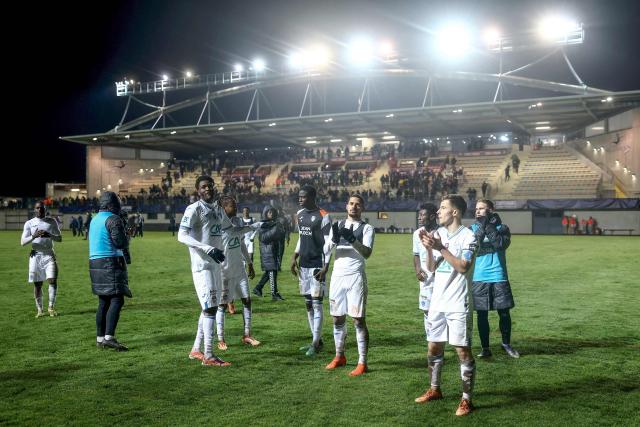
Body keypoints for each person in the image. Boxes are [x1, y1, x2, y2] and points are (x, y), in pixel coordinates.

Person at [415, 195, 478, 417]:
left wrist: (440, 247)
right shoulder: (438, 234)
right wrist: (430, 248)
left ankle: (466, 399)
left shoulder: (469, 236)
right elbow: (431, 267)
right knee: (433, 347)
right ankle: (435, 389)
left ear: (455, 212)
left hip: (458, 302)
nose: (438, 212)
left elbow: (463, 266)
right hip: (437, 301)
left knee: (462, 350)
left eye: (443, 208)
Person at [178, 175, 231, 367]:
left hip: (215, 265)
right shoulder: (193, 209)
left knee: (209, 307)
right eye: (203, 187)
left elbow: (229, 230)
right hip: (202, 266)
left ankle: (196, 350)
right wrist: (207, 248)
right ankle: (209, 356)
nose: (207, 189)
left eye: (210, 186)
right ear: (197, 190)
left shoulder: (218, 209)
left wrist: (254, 227)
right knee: (210, 308)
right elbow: (181, 235)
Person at [324, 194, 374, 376]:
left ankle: (362, 362)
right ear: (346, 206)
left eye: (358, 205)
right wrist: (334, 240)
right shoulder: (336, 226)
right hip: (338, 277)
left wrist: (353, 240)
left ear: (362, 208)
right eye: (351, 204)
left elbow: (367, 253)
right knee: (337, 318)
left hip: (355, 277)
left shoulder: (367, 228)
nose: (354, 207)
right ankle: (339, 356)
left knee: (358, 320)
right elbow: (326, 250)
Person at [470, 199, 519, 359]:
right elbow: (474, 245)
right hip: (479, 276)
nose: (477, 211)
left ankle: (506, 344)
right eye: (476, 209)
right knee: (482, 314)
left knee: (504, 313)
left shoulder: (503, 228)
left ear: (490, 210)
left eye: (481, 208)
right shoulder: (472, 229)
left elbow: (499, 244)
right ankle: (485, 348)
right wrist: (483, 225)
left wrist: (488, 225)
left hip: (498, 275)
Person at [290, 185, 332, 357]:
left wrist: (326, 265)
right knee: (308, 303)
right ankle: (317, 339)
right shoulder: (300, 215)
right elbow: (302, 236)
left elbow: (329, 242)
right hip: (304, 264)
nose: (300, 200)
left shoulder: (323, 216)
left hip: (317, 264)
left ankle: (315, 343)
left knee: (316, 303)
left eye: (304, 197)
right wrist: (294, 256)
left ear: (313, 197)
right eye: (299, 197)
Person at [215, 196, 261, 349]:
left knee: (247, 300)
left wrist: (249, 263)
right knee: (221, 305)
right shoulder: (219, 225)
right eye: (232, 206)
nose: (235, 208)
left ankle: (247, 335)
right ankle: (221, 339)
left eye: (235, 205)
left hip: (239, 270)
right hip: (225, 271)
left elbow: (241, 243)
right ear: (224, 208)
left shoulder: (238, 222)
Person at [88, 192, 132, 351]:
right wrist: (128, 235)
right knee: (117, 299)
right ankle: (109, 337)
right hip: (110, 263)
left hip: (95, 262)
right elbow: (120, 243)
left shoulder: (94, 219)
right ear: (111, 205)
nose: (119, 208)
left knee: (103, 301)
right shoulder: (113, 219)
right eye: (118, 204)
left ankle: (100, 339)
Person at [21, 202, 62, 317]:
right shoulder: (29, 223)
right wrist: (34, 236)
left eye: (42, 208)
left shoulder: (52, 221)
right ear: (34, 209)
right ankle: (40, 310)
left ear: (45, 209)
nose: (40, 209)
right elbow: (22, 242)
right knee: (37, 284)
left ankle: (51, 307)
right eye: (37, 208)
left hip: (49, 254)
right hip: (35, 256)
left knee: (52, 281)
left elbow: (59, 238)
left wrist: (49, 235)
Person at [413, 203, 439, 337]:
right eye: (419, 215)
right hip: (425, 279)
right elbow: (416, 254)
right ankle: (431, 340)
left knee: (441, 312)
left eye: (423, 215)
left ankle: (441, 342)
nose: (419, 218)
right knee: (427, 310)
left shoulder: (442, 232)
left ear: (433, 216)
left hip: (440, 277)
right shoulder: (417, 233)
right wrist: (418, 270)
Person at [253, 207, 285, 300]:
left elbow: (281, 235)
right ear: (265, 213)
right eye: (269, 212)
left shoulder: (275, 224)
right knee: (272, 271)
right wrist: (276, 229)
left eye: (273, 212)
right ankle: (274, 293)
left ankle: (258, 288)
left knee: (270, 272)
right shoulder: (263, 224)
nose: (271, 214)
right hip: (268, 252)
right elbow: (264, 238)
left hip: (274, 250)